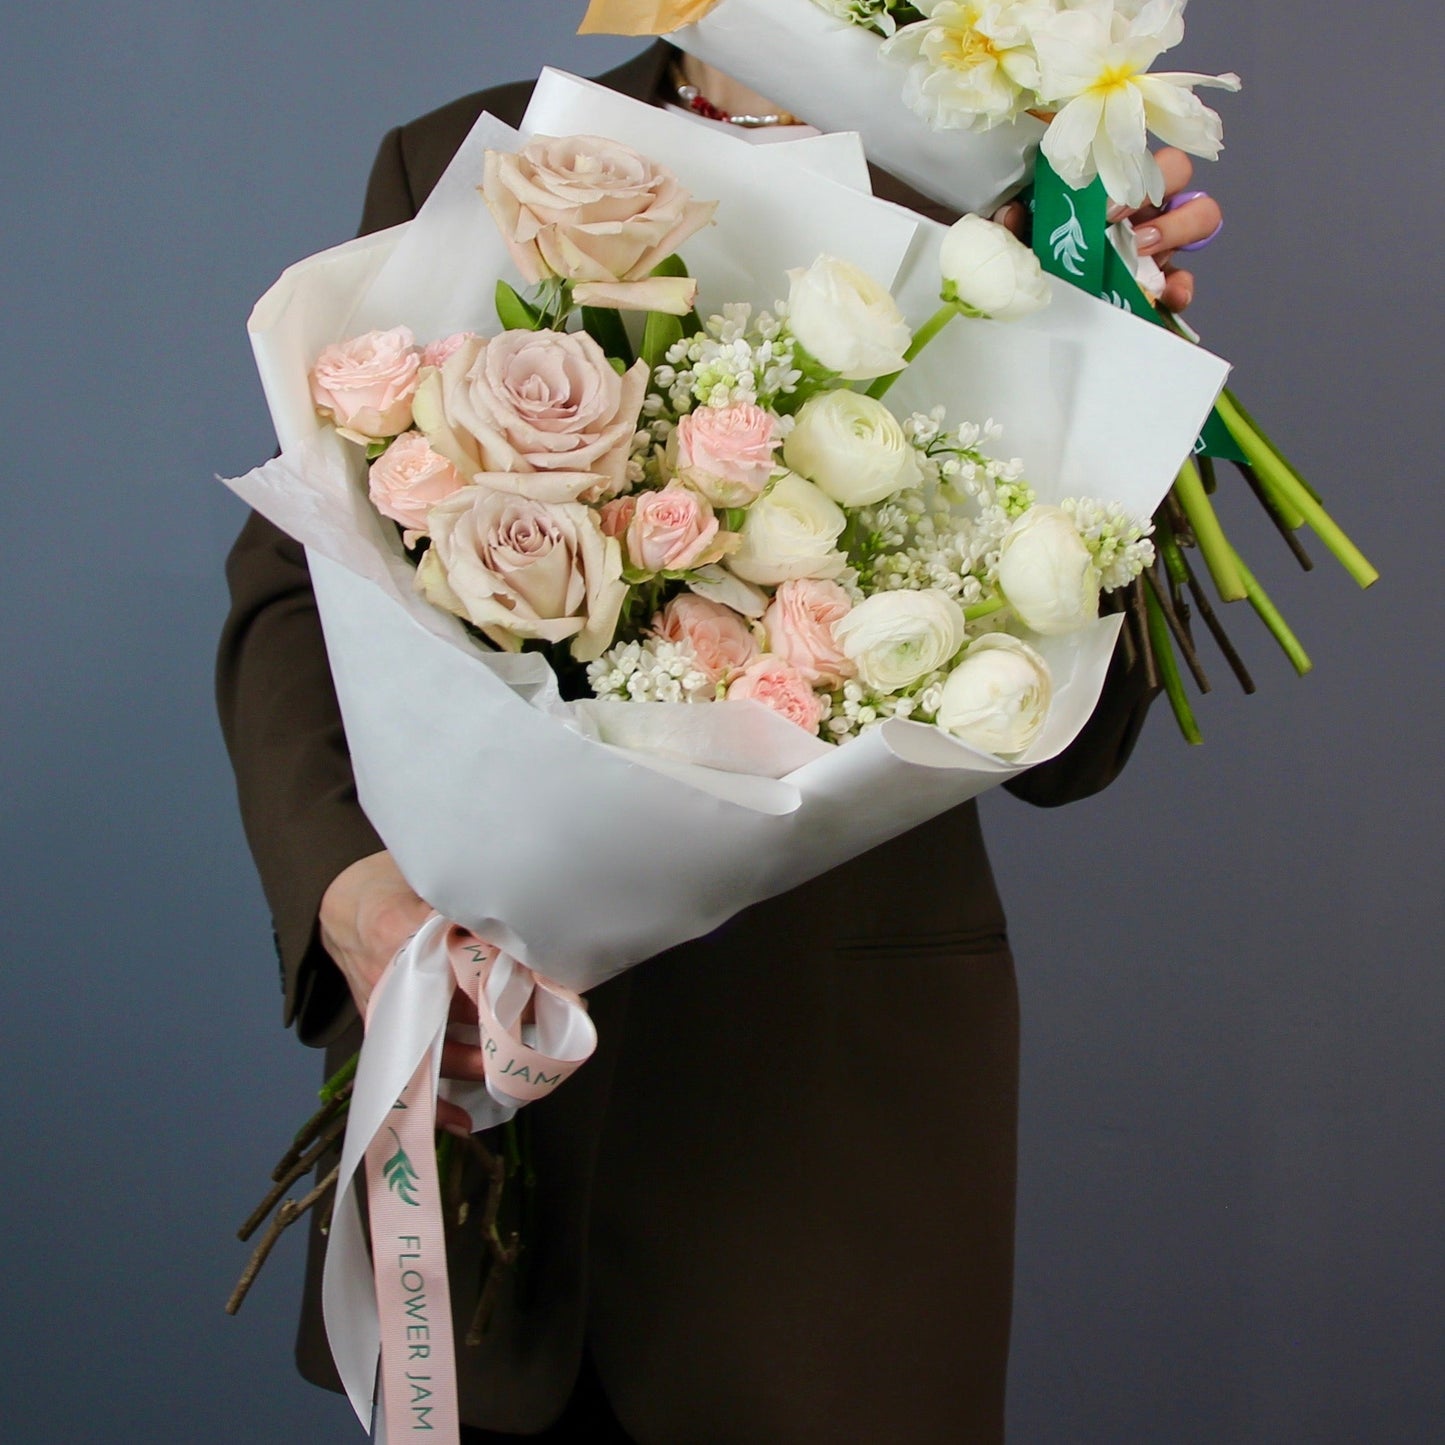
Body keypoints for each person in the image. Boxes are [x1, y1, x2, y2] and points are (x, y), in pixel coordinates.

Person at [218, 39, 1225, 1445]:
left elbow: (1073, 745)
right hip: (476, 1102)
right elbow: (292, 584)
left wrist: (1121, 368)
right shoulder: (466, 149)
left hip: (821, 1193)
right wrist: (349, 893)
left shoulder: (1013, 208)